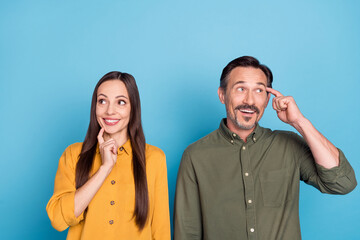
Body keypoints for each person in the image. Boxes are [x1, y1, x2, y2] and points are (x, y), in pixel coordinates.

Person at [174, 56, 357, 240]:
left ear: (268, 98)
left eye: (259, 90)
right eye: (241, 89)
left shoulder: (289, 145)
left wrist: (300, 122)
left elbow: (343, 184)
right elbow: (187, 232)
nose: (250, 100)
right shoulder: (195, 155)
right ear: (222, 95)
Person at [47, 71, 170, 240]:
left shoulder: (154, 158)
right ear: (95, 106)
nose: (109, 111)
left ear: (133, 107)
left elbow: (160, 230)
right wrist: (104, 169)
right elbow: (58, 220)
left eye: (120, 102)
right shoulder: (74, 154)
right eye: (102, 101)